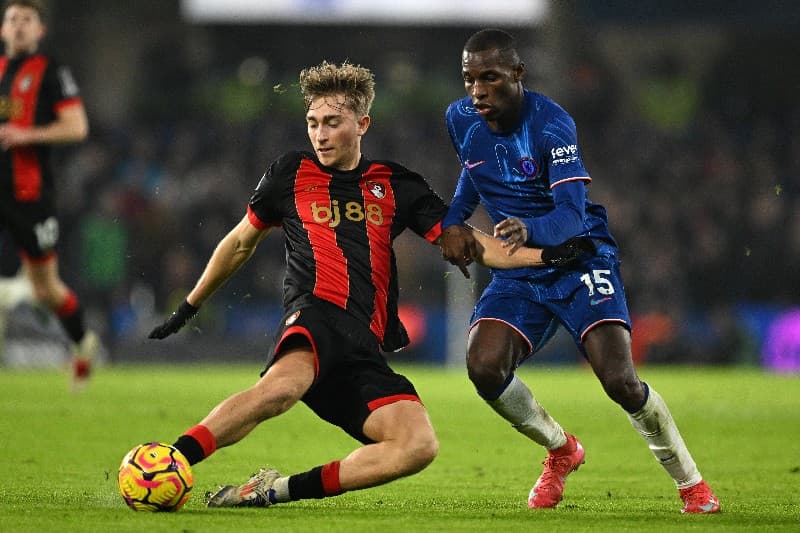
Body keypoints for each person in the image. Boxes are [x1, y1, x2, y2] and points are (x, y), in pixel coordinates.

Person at [148, 60, 582, 509]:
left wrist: (546, 255)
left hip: (363, 345)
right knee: (280, 389)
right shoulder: (289, 173)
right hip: (314, 315)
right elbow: (240, 243)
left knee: (416, 446)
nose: (319, 134)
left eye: (332, 123)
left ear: (362, 123)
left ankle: (269, 492)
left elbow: (473, 244)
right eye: (313, 123)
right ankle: (171, 459)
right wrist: (189, 306)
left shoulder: (397, 185)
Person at [439, 29, 720, 514]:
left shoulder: (551, 125)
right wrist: (451, 221)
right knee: (483, 366)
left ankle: (693, 486)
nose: (478, 91)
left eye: (490, 78)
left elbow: (571, 215)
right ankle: (561, 450)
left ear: (518, 74)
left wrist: (528, 228)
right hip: (521, 267)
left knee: (619, 381)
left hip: (577, 258)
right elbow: (472, 171)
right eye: (469, 80)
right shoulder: (460, 117)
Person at [0, 0, 97, 387]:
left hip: (30, 194)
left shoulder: (52, 71)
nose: (19, 26)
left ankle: (83, 343)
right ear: (3, 29)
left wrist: (27, 135)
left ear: (39, 30)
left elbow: (76, 127)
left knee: (45, 288)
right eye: (12, 19)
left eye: (27, 20)